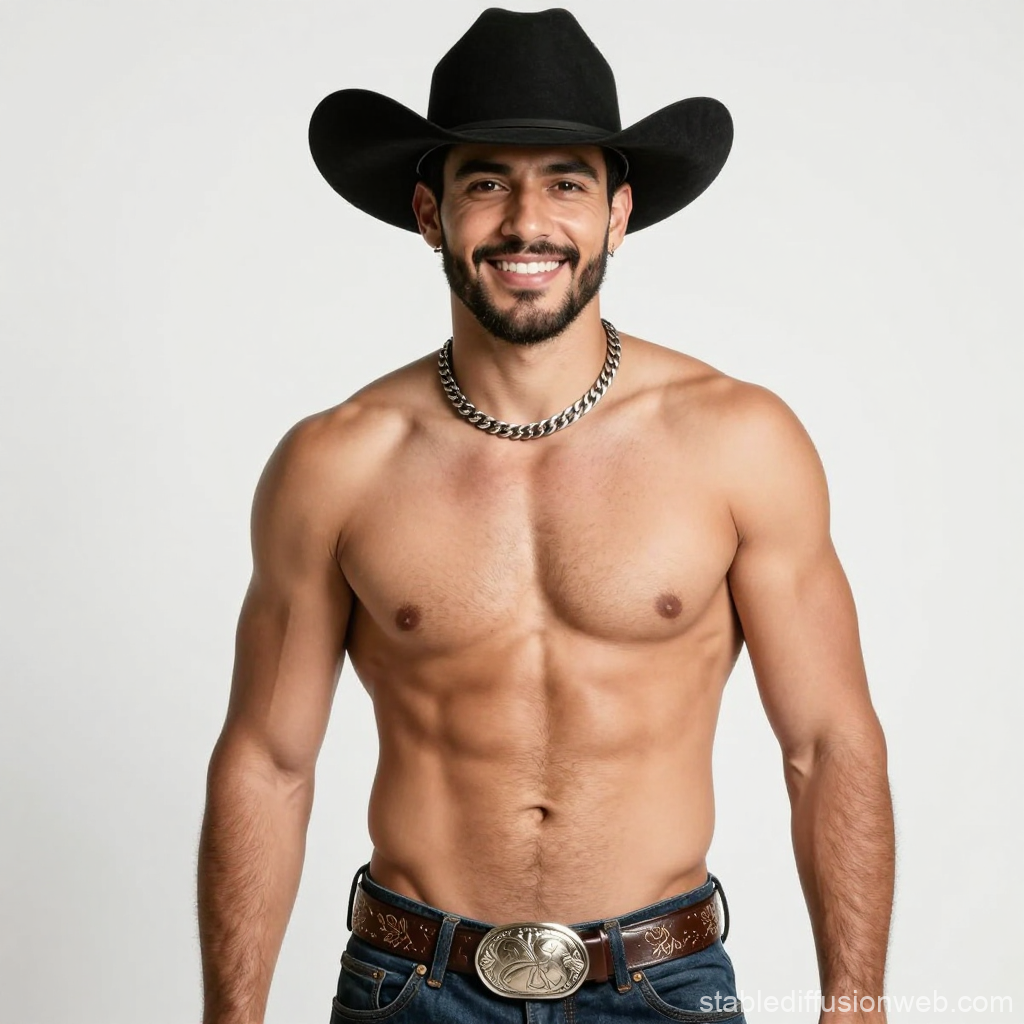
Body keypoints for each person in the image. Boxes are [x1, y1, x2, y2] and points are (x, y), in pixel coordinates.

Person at [197, 9, 895, 1024]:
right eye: (487, 181)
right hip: (411, 985)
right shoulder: (335, 461)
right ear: (431, 213)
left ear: (616, 215)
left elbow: (828, 741)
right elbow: (268, 759)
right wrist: (230, 1016)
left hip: (660, 980)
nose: (528, 220)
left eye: (566, 181)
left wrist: (858, 1006)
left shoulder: (736, 440)